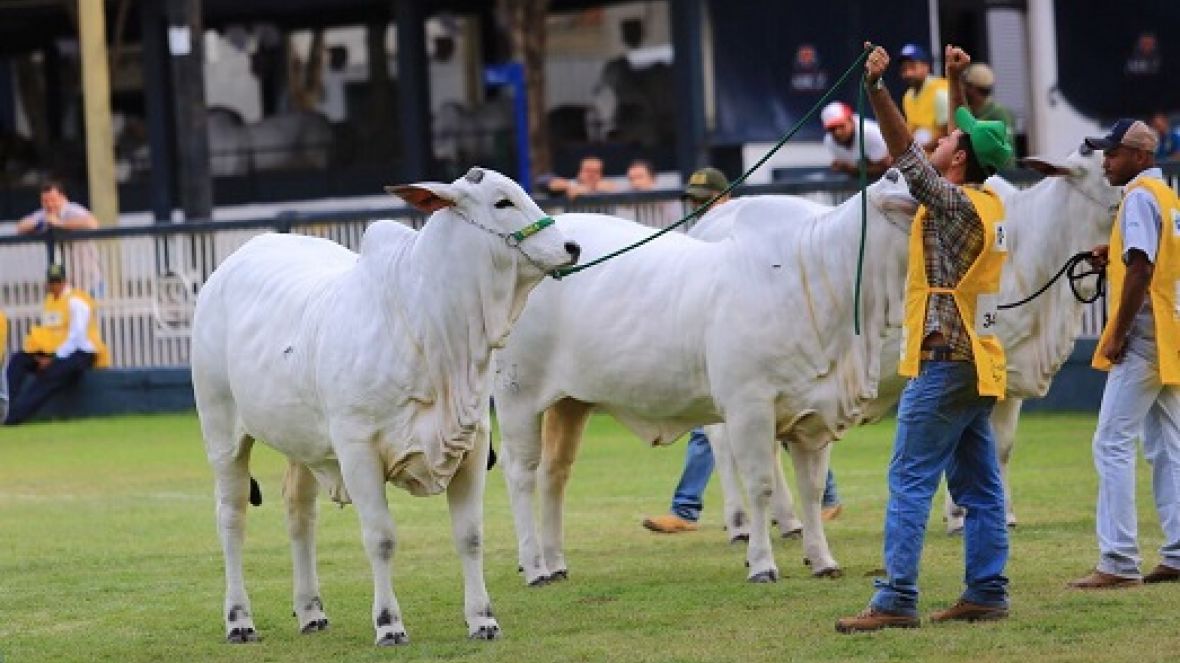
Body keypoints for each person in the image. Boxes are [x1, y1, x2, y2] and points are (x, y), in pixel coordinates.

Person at [836, 43, 1014, 633]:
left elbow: (904, 153)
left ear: (959, 160)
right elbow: (955, 138)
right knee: (981, 489)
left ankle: (894, 601)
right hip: (977, 362)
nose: (938, 139)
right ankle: (986, 590)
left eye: (947, 140)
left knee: (910, 481)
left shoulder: (953, 203)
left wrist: (877, 90)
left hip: (942, 361)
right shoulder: (989, 203)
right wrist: (954, 82)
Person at [642, 167, 844, 533]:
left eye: (704, 200)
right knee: (718, 427)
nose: (698, 207)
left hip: (764, 343)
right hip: (724, 343)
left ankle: (821, 499)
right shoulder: (704, 235)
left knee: (786, 424)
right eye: (693, 201)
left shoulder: (742, 230)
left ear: (724, 197)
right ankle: (691, 508)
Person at [1067, 118, 1180, 589]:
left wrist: (1115, 332)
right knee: (1167, 446)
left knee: (1111, 443)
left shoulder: (1136, 198)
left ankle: (1117, 561)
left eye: (1112, 153)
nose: (1105, 161)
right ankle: (1176, 554)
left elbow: (1141, 269)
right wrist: (1110, 254)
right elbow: (1146, 258)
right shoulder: (1167, 197)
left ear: (1139, 156)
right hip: (1171, 330)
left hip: (1143, 334)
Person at [4, 265, 110, 425]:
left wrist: (53, 359)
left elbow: (76, 337)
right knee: (18, 360)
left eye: (57, 282)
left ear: (65, 281)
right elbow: (51, 332)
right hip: (55, 352)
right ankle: (4, 408)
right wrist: (41, 355)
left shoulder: (77, 301)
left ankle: (12, 418)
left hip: (80, 353)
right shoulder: (50, 301)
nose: (54, 286)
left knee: (48, 377)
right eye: (51, 282)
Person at [15, 180, 103, 296]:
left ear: (63, 198)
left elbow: (93, 223)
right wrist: (40, 223)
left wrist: (59, 223)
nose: (49, 204)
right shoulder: (45, 214)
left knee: (91, 313)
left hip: (90, 279)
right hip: (68, 283)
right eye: (45, 201)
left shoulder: (72, 209)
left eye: (53, 200)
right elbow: (20, 227)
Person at [820, 101, 893, 178]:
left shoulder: (870, 132)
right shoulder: (829, 141)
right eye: (832, 128)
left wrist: (851, 169)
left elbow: (888, 167)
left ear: (850, 120)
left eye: (841, 126)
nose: (837, 132)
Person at [897, 43, 949, 151]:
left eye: (912, 67)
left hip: (943, 155)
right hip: (923, 158)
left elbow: (949, 132)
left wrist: (918, 149)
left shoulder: (940, 92)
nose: (908, 73)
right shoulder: (908, 96)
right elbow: (912, 130)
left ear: (926, 67)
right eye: (903, 69)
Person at [962, 63, 1016, 149]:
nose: (962, 87)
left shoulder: (999, 114)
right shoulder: (969, 112)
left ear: (973, 88)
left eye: (966, 85)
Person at [624, 159, 681, 227]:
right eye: (631, 179)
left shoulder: (664, 195)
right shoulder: (631, 195)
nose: (635, 183)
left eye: (640, 177)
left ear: (653, 178)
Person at [545, 156, 618, 199]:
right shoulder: (570, 184)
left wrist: (590, 190)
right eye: (587, 171)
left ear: (601, 174)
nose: (591, 175)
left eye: (596, 171)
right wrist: (570, 187)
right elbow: (545, 182)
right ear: (579, 172)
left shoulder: (607, 185)